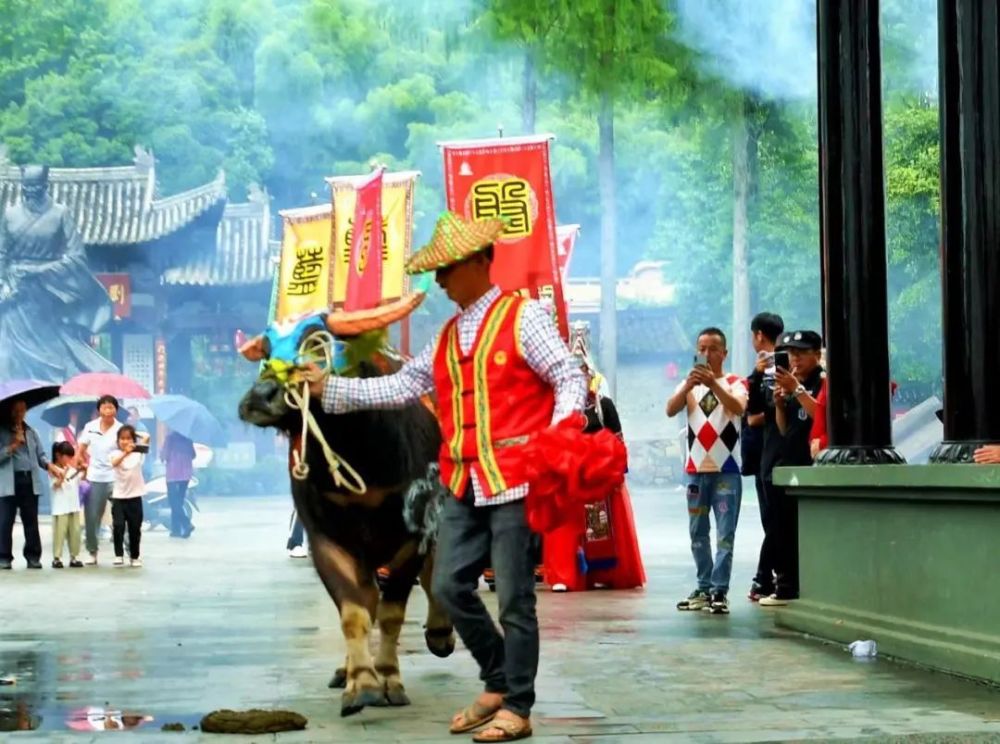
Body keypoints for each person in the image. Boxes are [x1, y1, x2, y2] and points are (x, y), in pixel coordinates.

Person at [307, 211, 586, 742]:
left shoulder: (524, 318)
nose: (438, 280)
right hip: (461, 482)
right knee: (448, 586)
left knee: (514, 601)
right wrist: (326, 390)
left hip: (517, 478)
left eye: (447, 268)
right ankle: (501, 680)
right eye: (434, 271)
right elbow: (398, 387)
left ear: (482, 262)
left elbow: (567, 377)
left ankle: (517, 706)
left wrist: (559, 434)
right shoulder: (447, 335)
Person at [542, 324, 645, 592]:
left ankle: (604, 574)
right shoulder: (558, 407)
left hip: (598, 479)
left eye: (583, 371)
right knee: (567, 529)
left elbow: (617, 439)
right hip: (569, 478)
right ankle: (566, 575)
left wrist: (616, 471)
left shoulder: (603, 406)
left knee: (600, 529)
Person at [0, 165, 115, 380]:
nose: (30, 192)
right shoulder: (10, 214)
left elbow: (77, 256)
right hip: (17, 293)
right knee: (9, 351)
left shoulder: (60, 214)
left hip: (47, 292)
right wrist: (4, 282)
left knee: (51, 347)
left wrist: (42, 270)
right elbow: (1, 254)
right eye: (26, 187)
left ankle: (63, 383)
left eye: (35, 187)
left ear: (45, 185)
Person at [666, 327, 748, 615]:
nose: (707, 354)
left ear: (724, 353)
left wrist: (714, 384)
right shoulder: (688, 385)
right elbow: (670, 409)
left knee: (725, 534)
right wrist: (689, 386)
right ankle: (703, 585)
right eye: (702, 348)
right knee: (697, 532)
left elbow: (738, 408)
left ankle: (719, 591)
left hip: (727, 471)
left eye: (713, 348)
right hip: (695, 470)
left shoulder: (736, 383)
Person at [757, 330, 825, 607]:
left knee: (803, 530)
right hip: (788, 464)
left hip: (812, 467)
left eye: (800, 352)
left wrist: (797, 390)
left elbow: (823, 415)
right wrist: (780, 404)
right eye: (789, 354)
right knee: (781, 528)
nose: (794, 359)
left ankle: (794, 585)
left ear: (817, 354)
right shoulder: (791, 383)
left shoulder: (822, 383)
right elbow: (785, 429)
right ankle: (784, 582)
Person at [743, 311, 784, 601]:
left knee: (774, 519)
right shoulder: (771, 369)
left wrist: (757, 376)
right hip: (768, 454)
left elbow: (753, 416)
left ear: (758, 335)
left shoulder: (769, 371)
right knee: (773, 519)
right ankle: (770, 577)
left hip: (770, 453)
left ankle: (764, 578)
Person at [0, 398, 60, 569]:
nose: (20, 413)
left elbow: (40, 455)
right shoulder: (2, 431)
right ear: (9, 411)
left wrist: (49, 466)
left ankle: (33, 556)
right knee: (5, 521)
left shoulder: (31, 432)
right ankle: (3, 557)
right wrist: (13, 445)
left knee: (31, 521)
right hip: (9, 482)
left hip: (29, 480)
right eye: (16, 410)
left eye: (23, 410)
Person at [77, 395, 123, 565]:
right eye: (104, 407)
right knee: (92, 516)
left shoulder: (121, 429)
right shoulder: (90, 427)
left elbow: (127, 449)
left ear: (116, 410)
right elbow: (80, 448)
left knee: (121, 514)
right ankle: (92, 552)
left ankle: (127, 551)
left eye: (111, 407)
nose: (108, 410)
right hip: (94, 476)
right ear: (99, 410)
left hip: (115, 476)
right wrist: (79, 461)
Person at [109, 425, 145, 567]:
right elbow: (114, 463)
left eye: (128, 438)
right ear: (118, 441)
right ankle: (119, 555)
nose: (125, 441)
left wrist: (135, 438)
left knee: (134, 528)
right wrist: (125, 452)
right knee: (118, 526)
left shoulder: (138, 453)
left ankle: (135, 556)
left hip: (135, 497)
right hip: (119, 497)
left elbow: (147, 438)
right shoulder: (114, 454)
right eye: (122, 438)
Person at [49, 441, 84, 568]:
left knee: (75, 533)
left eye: (71, 457)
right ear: (58, 455)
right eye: (67, 456)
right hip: (60, 508)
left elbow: (79, 480)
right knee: (59, 534)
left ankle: (74, 557)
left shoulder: (72, 469)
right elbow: (55, 485)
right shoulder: (53, 469)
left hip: (73, 506)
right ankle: (57, 558)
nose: (69, 459)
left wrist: (82, 470)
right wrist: (62, 476)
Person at [160, 430, 196, 538]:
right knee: (179, 502)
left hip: (173, 474)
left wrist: (162, 455)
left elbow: (164, 456)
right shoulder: (188, 437)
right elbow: (193, 455)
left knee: (173, 502)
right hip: (186, 475)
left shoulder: (170, 437)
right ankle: (175, 530)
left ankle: (186, 523)